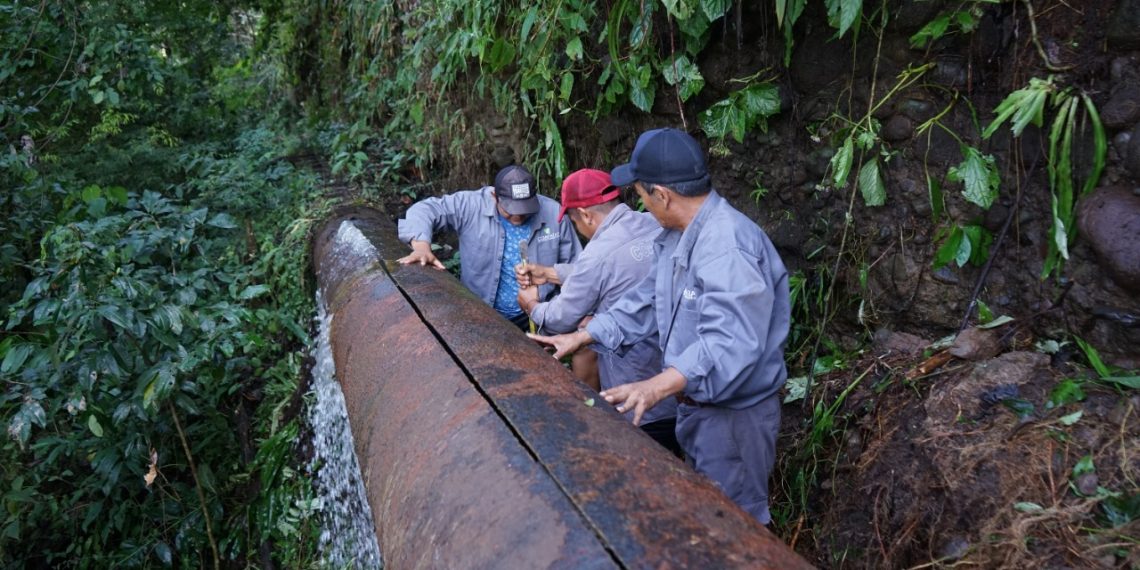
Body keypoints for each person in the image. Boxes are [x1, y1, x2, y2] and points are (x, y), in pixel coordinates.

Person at [528, 128, 791, 525]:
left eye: (641, 195)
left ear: (663, 195)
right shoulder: (675, 238)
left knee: (737, 524)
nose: (642, 206)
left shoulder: (727, 247)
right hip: (696, 408)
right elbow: (647, 301)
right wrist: (584, 335)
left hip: (733, 417)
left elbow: (729, 341)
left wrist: (656, 386)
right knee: (707, 514)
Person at [515, 168, 680, 456]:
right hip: (680, 384)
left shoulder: (597, 253)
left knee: (644, 465)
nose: (578, 227)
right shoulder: (653, 222)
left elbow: (560, 318)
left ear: (585, 215)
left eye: (574, 222)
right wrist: (552, 273)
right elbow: (611, 270)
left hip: (637, 392)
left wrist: (531, 305)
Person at [397, 165, 582, 330]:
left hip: (539, 314)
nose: (518, 217)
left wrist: (542, 294)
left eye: (525, 210)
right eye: (510, 210)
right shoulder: (471, 205)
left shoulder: (553, 213)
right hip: (480, 316)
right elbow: (424, 210)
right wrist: (421, 247)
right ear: (495, 196)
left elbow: (578, 269)